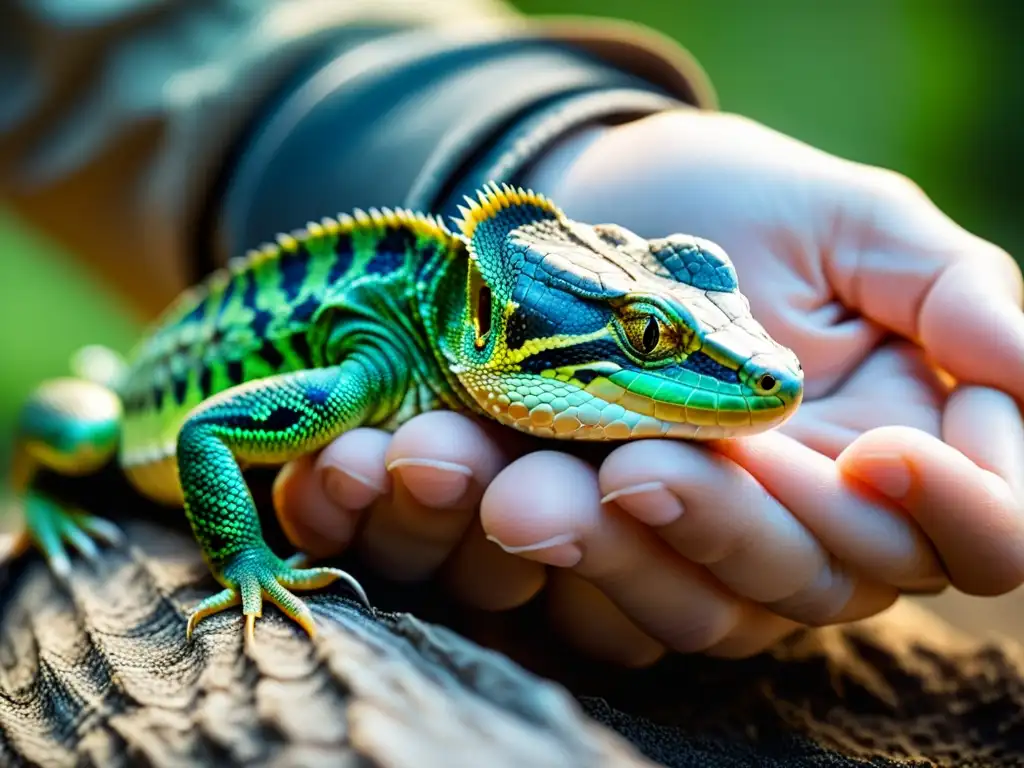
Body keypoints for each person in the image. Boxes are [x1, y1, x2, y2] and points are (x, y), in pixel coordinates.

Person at [2, 0, 1022, 668]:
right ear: (501, 330)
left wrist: (551, 132)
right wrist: (246, 565)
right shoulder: (368, 374)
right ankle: (47, 486)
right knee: (81, 423)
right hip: (128, 412)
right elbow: (206, 435)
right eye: (649, 342)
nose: (761, 378)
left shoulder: (471, 344)